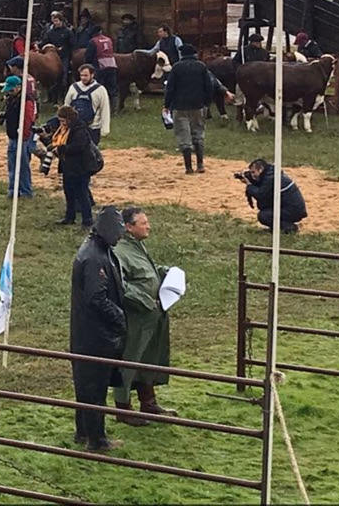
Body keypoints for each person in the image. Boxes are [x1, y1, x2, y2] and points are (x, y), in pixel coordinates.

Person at [69, 206, 127, 452]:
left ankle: (84, 432)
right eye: (118, 232)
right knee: (94, 387)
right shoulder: (95, 257)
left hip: (86, 332)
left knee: (86, 386)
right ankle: (97, 439)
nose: (120, 236)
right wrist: (119, 317)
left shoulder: (94, 250)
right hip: (95, 334)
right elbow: (97, 298)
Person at [113, 207, 175, 424]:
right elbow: (121, 284)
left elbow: (146, 270)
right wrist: (145, 300)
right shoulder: (120, 251)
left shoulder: (137, 246)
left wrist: (165, 272)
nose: (148, 226)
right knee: (130, 360)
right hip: (136, 316)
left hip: (152, 314)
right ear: (129, 227)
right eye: (143, 223)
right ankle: (123, 409)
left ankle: (148, 403)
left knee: (149, 357)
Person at [162, 44, 214, 175]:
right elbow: (209, 86)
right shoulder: (201, 66)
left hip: (180, 106)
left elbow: (170, 88)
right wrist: (206, 103)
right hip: (198, 105)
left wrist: (166, 104)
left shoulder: (177, 68)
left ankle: (188, 167)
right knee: (198, 134)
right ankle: (200, 164)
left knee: (183, 135)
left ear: (182, 55)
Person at [50, 105, 95, 228]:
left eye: (63, 121)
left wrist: (62, 149)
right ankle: (70, 217)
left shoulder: (80, 129)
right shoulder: (65, 129)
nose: (61, 123)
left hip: (81, 167)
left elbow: (78, 147)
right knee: (68, 192)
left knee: (82, 194)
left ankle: (87, 220)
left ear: (69, 118)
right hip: (68, 166)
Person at [241, 158, 307, 234]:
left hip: (293, 211)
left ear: (261, 169)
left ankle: (291, 228)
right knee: (265, 210)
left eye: (253, 172)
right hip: (293, 208)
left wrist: (249, 185)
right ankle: (279, 227)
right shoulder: (271, 174)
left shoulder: (271, 179)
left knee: (264, 216)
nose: (252, 175)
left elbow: (260, 195)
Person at [0, 74, 36, 198]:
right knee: (12, 164)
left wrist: (23, 136)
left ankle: (25, 191)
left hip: (21, 137)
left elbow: (28, 119)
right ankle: (13, 189)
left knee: (23, 165)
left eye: (11, 89)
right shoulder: (12, 98)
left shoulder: (27, 100)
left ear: (19, 87)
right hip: (13, 135)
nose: (9, 92)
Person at [64, 64, 111, 145]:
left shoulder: (100, 90)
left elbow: (105, 109)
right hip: (75, 128)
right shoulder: (73, 87)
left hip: (93, 128)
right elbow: (66, 106)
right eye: (81, 75)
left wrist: (105, 129)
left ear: (92, 75)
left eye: (86, 75)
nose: (83, 78)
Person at [41, 11, 73, 102]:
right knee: (51, 77)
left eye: (57, 21)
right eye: (54, 21)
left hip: (64, 56)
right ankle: (51, 98)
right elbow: (45, 41)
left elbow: (72, 44)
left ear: (61, 21)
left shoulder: (68, 32)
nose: (55, 23)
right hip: (52, 56)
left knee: (64, 77)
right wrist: (38, 45)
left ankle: (62, 97)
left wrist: (65, 49)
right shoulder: (50, 32)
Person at [85, 25, 119, 111]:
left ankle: (100, 107)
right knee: (112, 87)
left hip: (99, 66)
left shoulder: (93, 41)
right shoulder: (108, 39)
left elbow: (88, 56)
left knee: (99, 87)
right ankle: (114, 107)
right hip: (112, 65)